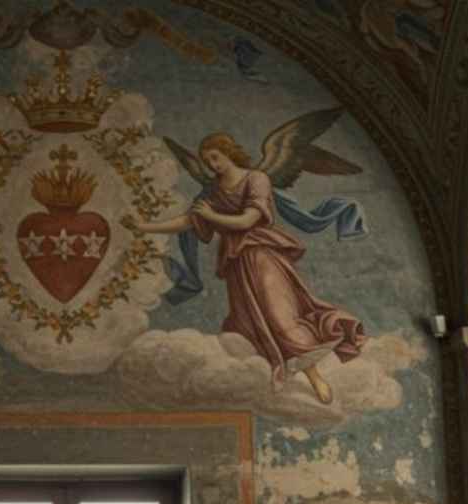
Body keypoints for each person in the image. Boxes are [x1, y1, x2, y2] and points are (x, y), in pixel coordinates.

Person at [136, 133, 367, 405]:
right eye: (207, 161)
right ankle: (270, 375)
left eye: (215, 157)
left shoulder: (256, 179)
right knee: (251, 325)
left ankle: (314, 377)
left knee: (279, 315)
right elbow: (188, 220)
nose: (212, 165)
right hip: (237, 266)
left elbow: (249, 219)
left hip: (262, 255)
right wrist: (143, 227)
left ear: (228, 152)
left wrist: (212, 216)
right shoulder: (213, 190)